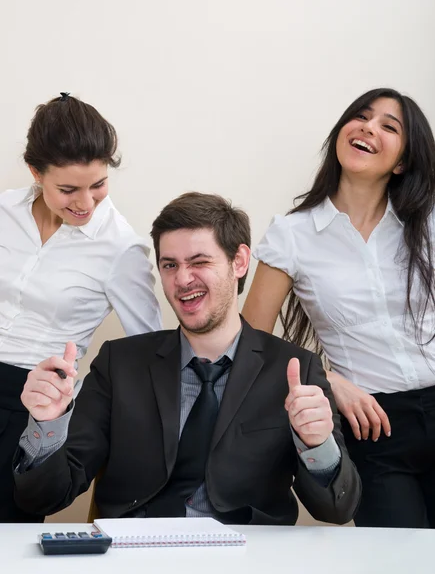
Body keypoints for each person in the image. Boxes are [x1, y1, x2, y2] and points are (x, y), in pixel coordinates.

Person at [13, 192, 360, 525]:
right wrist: (47, 427)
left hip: (248, 559)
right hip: (136, 556)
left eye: (199, 262)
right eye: (169, 265)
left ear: (239, 261)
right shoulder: (119, 364)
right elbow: (44, 499)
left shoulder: (296, 370)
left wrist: (317, 443)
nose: (182, 279)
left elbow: (337, 509)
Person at [243, 88, 435, 528]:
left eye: (390, 126)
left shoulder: (427, 223)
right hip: (373, 425)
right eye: (362, 117)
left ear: (403, 161)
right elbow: (252, 341)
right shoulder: (292, 235)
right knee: (399, 565)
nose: (369, 127)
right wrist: (329, 381)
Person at [0, 93, 162, 522]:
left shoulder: (120, 247)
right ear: (36, 173)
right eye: (68, 189)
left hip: (29, 402)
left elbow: (150, 344)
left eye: (99, 185)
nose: (86, 203)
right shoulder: (3, 211)